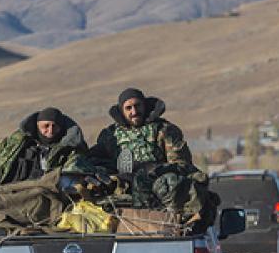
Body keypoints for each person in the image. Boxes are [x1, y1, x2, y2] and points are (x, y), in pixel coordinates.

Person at [89, 88, 213, 220]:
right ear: (121, 110)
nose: (134, 112)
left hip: (158, 184)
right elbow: (93, 159)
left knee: (171, 183)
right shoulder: (110, 135)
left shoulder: (164, 130)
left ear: (145, 105)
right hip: (122, 184)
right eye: (128, 108)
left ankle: (172, 220)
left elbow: (181, 164)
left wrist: (153, 170)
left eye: (137, 106)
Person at [0, 107, 92, 193]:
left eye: (55, 126)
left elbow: (75, 168)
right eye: (46, 126)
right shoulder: (9, 145)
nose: (50, 130)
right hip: (0, 195)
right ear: (37, 126)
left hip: (40, 199)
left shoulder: (70, 152)